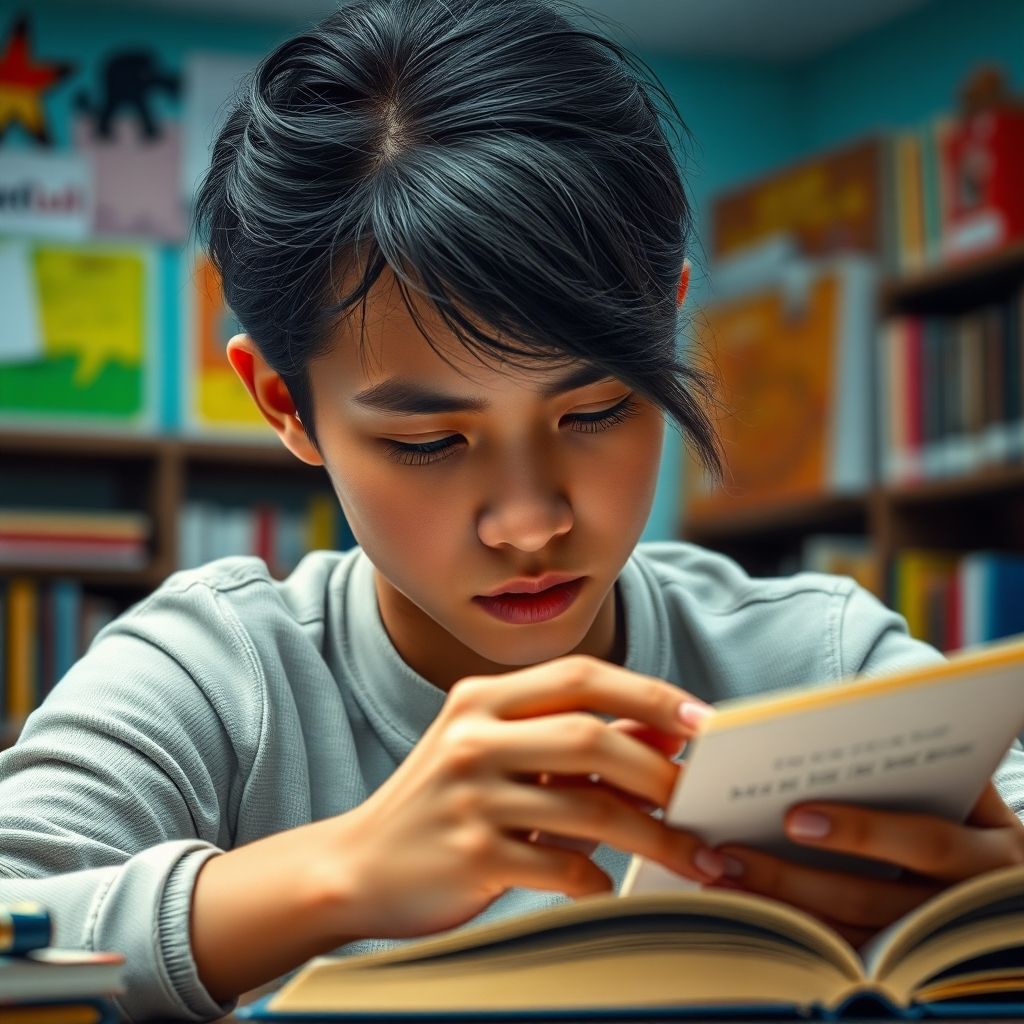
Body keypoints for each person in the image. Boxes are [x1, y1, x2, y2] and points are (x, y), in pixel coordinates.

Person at [1, 0, 1022, 1020]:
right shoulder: (213, 678)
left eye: (596, 409)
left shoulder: (818, 661)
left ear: (665, 329)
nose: (530, 522)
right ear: (283, 402)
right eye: (428, 442)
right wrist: (337, 875)